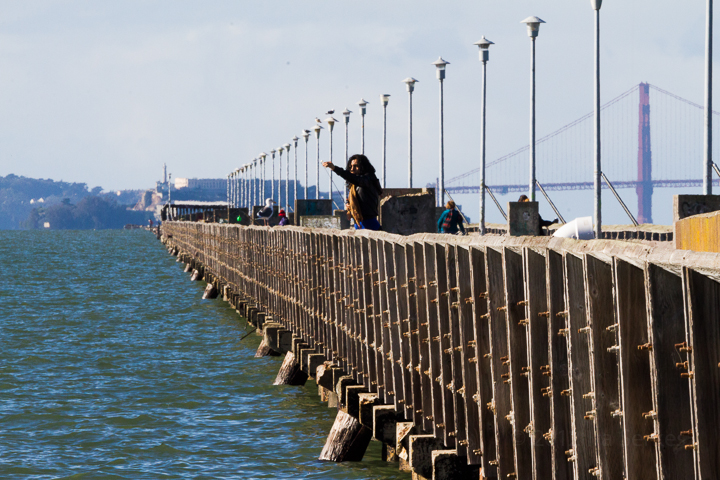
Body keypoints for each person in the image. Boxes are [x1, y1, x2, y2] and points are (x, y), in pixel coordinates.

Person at [322, 154, 382, 231]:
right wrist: (350, 206)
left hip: (369, 223)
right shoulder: (354, 185)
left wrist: (334, 168)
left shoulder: (367, 180)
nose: (352, 169)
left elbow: (354, 178)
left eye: (356, 166)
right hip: (358, 223)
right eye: (351, 167)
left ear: (363, 167)